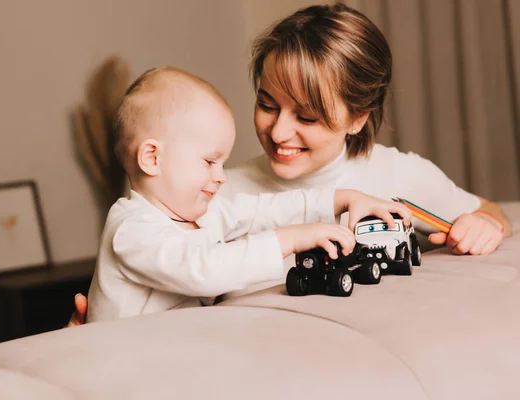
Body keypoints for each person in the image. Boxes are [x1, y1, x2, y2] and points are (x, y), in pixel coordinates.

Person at [68, 3, 511, 325]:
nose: (279, 133)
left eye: (306, 116)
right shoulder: (207, 193)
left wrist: (485, 224)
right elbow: (188, 277)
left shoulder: (399, 175)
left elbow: (491, 212)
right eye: (266, 104)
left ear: (358, 117)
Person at [86, 66, 410, 321]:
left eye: (223, 163)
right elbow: (204, 270)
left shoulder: (201, 214)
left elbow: (264, 210)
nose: (221, 177)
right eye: (210, 161)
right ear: (152, 158)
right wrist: (292, 239)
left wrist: (340, 198)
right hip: (120, 368)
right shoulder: (131, 231)